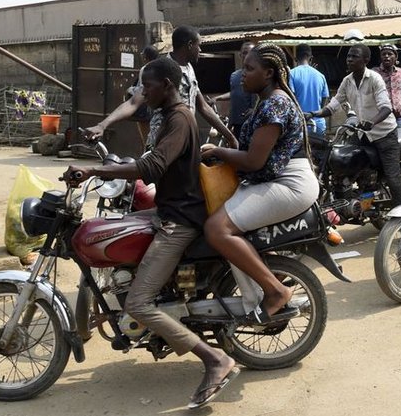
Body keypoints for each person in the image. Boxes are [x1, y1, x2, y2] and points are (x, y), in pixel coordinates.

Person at [63, 57, 239, 409]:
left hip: (180, 220)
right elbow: (152, 156)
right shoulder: (168, 115)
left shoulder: (180, 119)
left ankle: (215, 360)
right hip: (168, 210)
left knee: (138, 303)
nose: (143, 92)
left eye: (148, 86)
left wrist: (97, 170)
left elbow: (153, 165)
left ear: (168, 86)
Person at [202, 43, 319, 322]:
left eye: (249, 69)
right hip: (276, 179)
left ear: (268, 73)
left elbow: (254, 161)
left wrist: (217, 152)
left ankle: (276, 291)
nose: (243, 74)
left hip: (290, 184)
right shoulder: (265, 101)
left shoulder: (275, 103)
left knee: (217, 229)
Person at [86, 26, 238, 151]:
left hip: (185, 140)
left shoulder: (189, 68)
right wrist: (102, 125)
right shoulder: (161, 69)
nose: (200, 50)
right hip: (163, 142)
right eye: (199, 45)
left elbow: (203, 107)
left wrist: (229, 136)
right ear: (190, 45)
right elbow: (134, 102)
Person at [306, 44, 401, 207]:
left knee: (392, 178)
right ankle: (354, 197)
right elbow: (333, 105)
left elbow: (386, 107)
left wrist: (372, 122)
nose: (349, 59)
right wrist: (313, 114)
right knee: (345, 162)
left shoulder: (374, 79)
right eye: (348, 56)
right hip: (362, 134)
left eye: (354, 56)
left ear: (365, 60)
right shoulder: (347, 81)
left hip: (384, 135)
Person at [290, 43, 329, 133]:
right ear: (311, 58)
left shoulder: (292, 74)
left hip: (299, 124)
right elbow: (325, 100)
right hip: (318, 125)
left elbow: (291, 98)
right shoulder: (321, 76)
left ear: (295, 59)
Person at [227, 41, 256, 139]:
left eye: (250, 53)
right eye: (244, 53)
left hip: (252, 123)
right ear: (240, 55)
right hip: (237, 123)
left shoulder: (259, 74)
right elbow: (234, 96)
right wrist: (230, 122)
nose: (247, 56)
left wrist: (254, 109)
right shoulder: (234, 76)